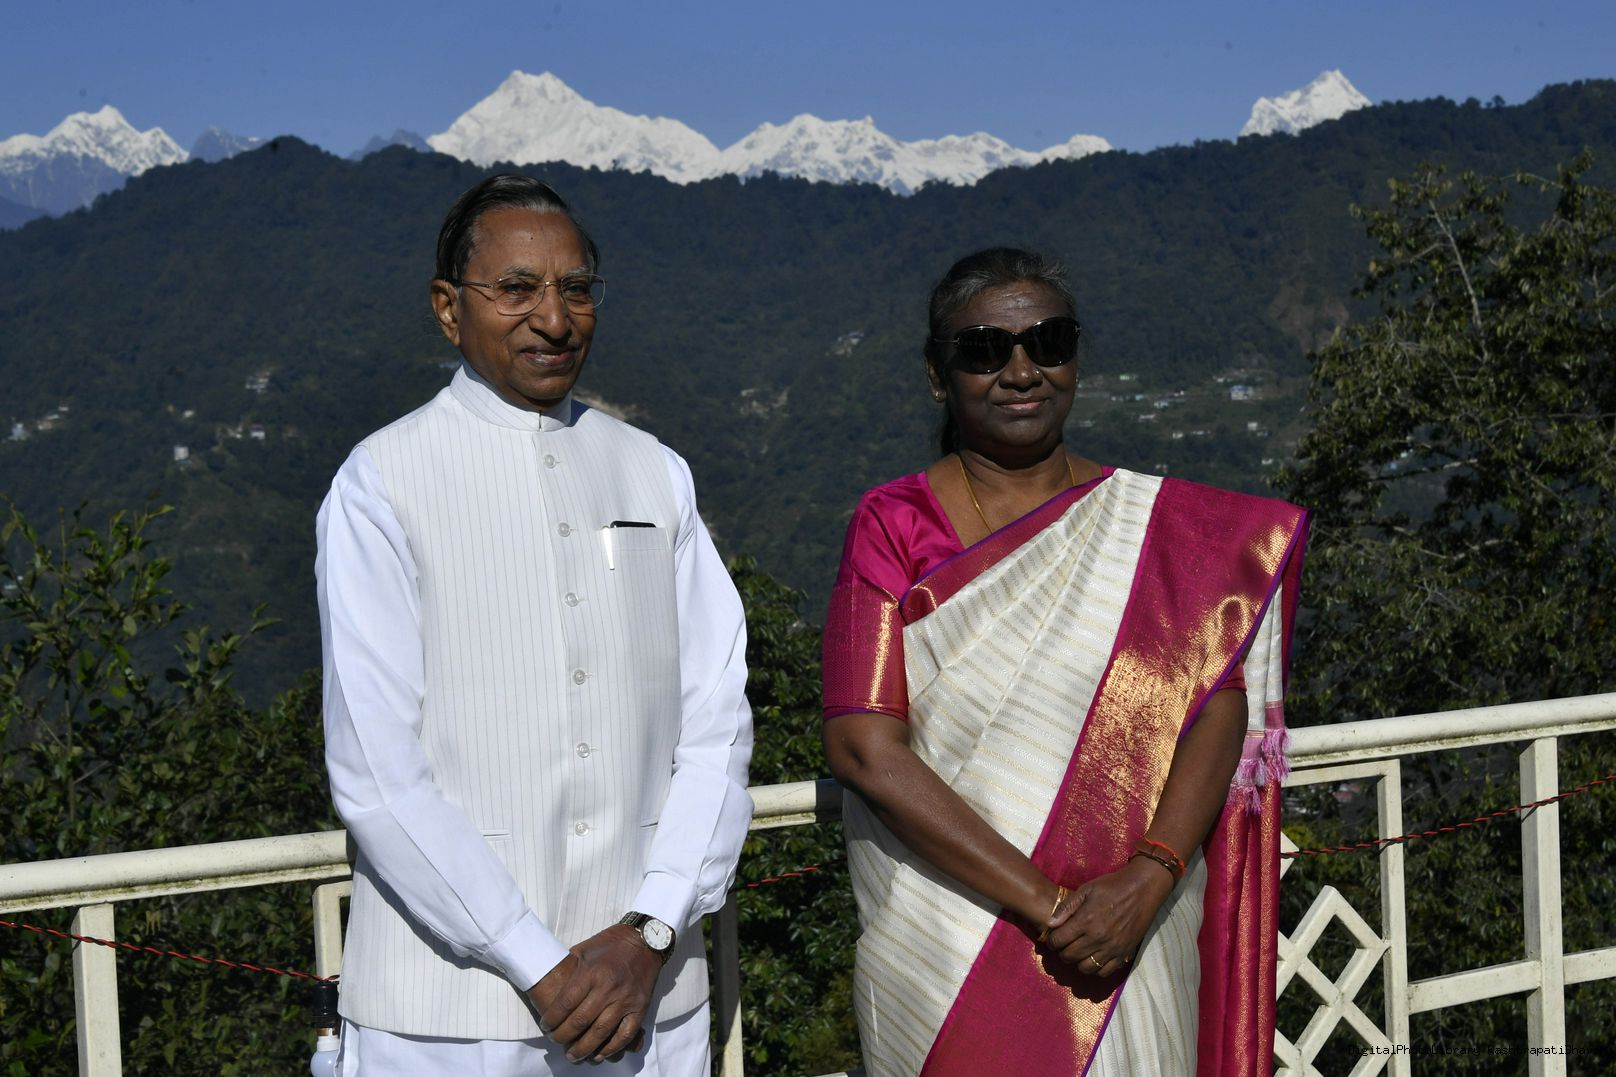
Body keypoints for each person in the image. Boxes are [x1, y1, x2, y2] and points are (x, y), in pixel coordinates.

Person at [821, 248, 1307, 1076]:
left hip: (1135, 931)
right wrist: (1051, 908)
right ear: (939, 375)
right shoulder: (895, 526)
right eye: (985, 350)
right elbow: (864, 748)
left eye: (1048, 343)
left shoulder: (1149, 531)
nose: (1021, 371)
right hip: (952, 941)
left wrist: (1149, 878)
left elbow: (1214, 702)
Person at [316, 174, 753, 1075]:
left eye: (576, 289)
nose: (553, 318)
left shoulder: (654, 471)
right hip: (443, 1020)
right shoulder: (382, 482)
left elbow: (717, 725)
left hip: (651, 1000)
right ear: (449, 308)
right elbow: (377, 772)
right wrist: (537, 961)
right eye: (516, 289)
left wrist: (653, 927)